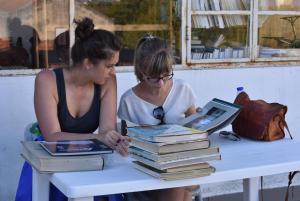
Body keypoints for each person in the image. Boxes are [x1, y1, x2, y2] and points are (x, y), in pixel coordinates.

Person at [15, 17, 129, 201]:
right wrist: (98, 138)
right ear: (88, 63)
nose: (113, 71)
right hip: (50, 162)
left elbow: (106, 129)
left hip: (88, 160)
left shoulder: (108, 82)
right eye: (109, 66)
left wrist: (115, 139)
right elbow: (52, 135)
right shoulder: (47, 80)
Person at [118, 35, 198, 201]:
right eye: (153, 77)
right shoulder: (129, 101)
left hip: (182, 160)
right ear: (141, 71)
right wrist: (125, 144)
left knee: (180, 179)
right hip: (147, 170)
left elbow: (196, 126)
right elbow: (127, 141)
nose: (161, 83)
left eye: (166, 75)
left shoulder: (183, 88)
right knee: (180, 184)